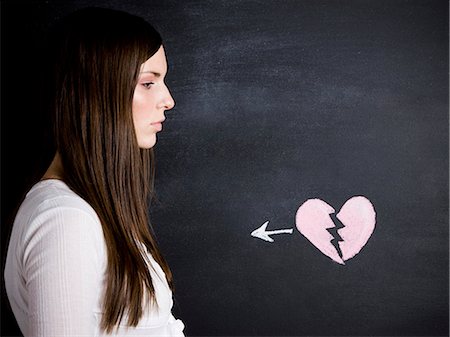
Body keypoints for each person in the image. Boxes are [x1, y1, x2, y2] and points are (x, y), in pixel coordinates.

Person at [3, 6, 185, 336]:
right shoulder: (63, 219)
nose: (167, 99)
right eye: (147, 83)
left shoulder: (89, 211)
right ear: (97, 93)